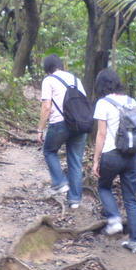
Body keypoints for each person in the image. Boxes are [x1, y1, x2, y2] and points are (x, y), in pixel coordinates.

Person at [92, 68, 136, 253]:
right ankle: (135, 242)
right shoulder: (131, 101)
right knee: (131, 199)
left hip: (112, 154)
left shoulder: (103, 103)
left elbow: (101, 134)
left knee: (103, 187)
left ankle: (114, 219)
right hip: (132, 155)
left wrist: (96, 161)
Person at [37, 54, 87, 209]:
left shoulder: (49, 80)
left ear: (47, 68)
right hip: (80, 125)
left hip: (60, 123)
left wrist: (40, 129)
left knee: (49, 151)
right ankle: (74, 200)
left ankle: (60, 182)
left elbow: (46, 107)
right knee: (75, 161)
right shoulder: (75, 80)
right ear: (60, 65)